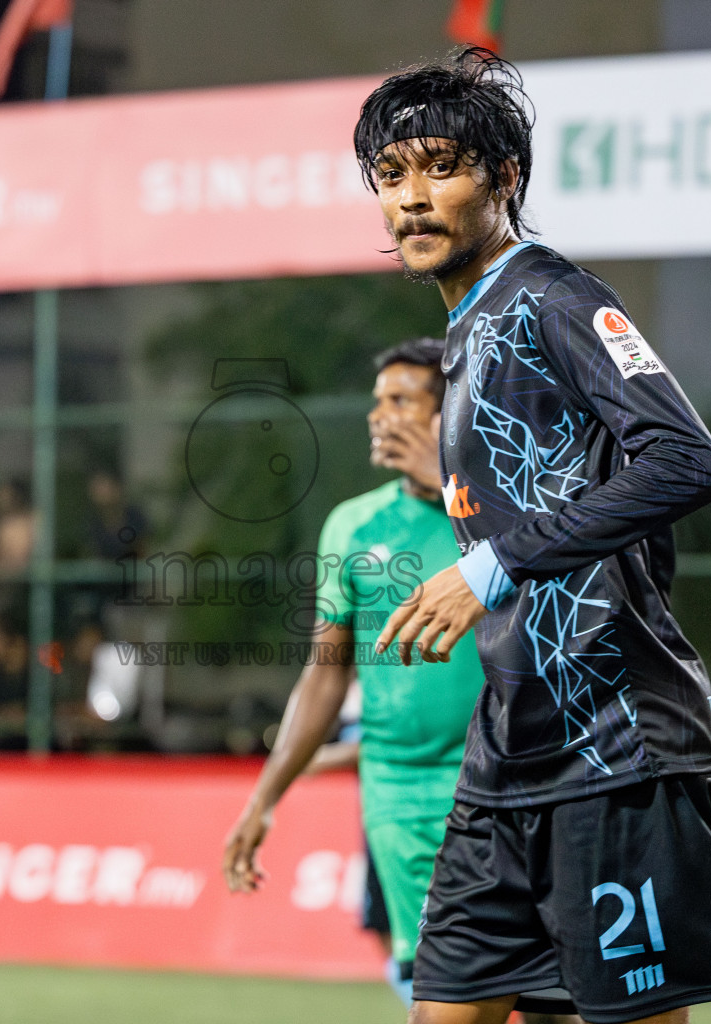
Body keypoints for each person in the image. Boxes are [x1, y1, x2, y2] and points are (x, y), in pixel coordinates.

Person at [358, 51, 711, 1023]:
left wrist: (489, 570)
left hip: (612, 753)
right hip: (505, 754)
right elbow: (618, 528)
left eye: (441, 167)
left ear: (504, 178)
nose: (413, 199)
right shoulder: (466, 333)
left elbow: (684, 463)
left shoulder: (553, 296)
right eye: (391, 176)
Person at [222, 338, 578, 1020]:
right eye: (376, 401)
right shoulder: (352, 525)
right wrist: (265, 796)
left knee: (546, 1002)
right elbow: (325, 675)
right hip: (401, 801)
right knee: (441, 999)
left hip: (518, 783)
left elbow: (566, 627)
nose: (378, 416)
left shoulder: (512, 512)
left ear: (454, 413)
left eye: (401, 401)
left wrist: (451, 479)